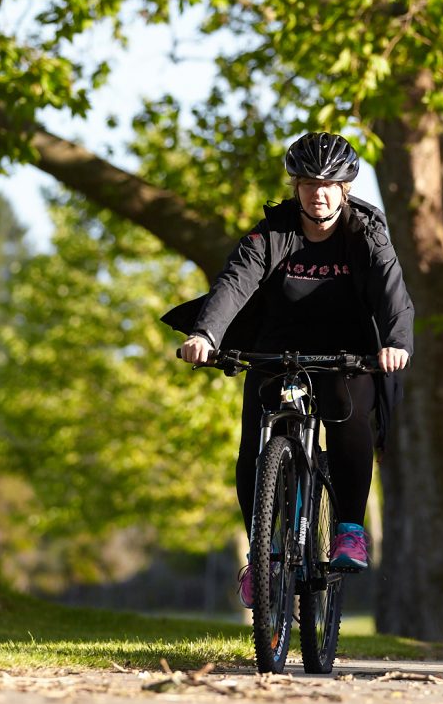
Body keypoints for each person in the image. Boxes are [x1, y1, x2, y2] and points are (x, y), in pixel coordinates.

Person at [164, 132, 414, 607]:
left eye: (330, 184)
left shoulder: (366, 233)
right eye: (309, 183)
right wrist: (205, 335)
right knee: (252, 447)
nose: (318, 193)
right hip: (278, 347)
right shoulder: (272, 233)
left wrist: (397, 344)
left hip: (348, 351)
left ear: (345, 189)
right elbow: (234, 283)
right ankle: (263, 558)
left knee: (347, 417)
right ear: (296, 187)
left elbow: (393, 295)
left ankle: (349, 530)